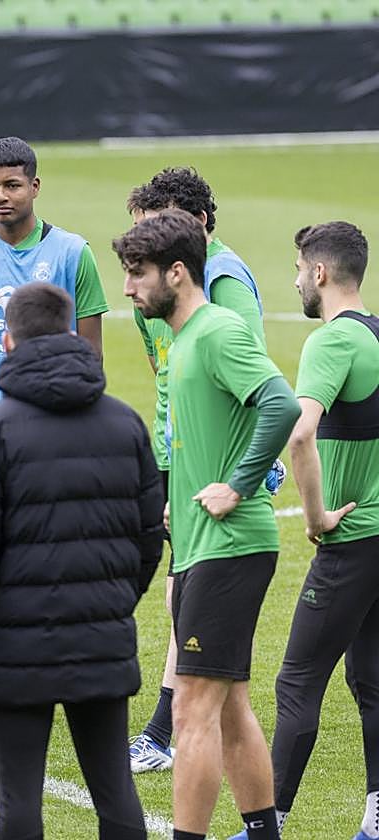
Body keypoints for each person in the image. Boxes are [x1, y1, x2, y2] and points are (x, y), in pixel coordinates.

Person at [0, 281, 163, 840]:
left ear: (8, 341)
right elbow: (147, 536)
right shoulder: (124, 423)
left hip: (13, 645)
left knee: (17, 801)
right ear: (72, 334)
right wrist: (113, 601)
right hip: (101, 635)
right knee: (115, 792)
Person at [114, 210, 300, 840]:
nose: (128, 289)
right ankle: (262, 832)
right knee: (228, 706)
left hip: (232, 546)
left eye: (138, 274)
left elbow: (279, 403)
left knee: (192, 707)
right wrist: (184, 491)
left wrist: (239, 484)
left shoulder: (218, 330)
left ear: (177, 271)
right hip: (201, 546)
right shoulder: (186, 337)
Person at [227, 222, 379, 840]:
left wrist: (315, 517)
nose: (293, 280)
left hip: (353, 539)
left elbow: (297, 430)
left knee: (296, 681)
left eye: (297, 269)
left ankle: (270, 823)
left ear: (320, 272)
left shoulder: (332, 341)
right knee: (371, 677)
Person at [126, 167, 270, 774]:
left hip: (215, 464)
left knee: (189, 597)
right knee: (181, 595)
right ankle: (169, 728)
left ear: (196, 228)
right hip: (181, 457)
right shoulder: (157, 294)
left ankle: (165, 731)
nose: (141, 250)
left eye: (155, 232)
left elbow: (255, 383)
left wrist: (239, 474)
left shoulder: (223, 283)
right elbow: (168, 378)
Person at [0, 136, 108, 416]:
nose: (0, 196)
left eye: (12, 185)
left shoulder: (73, 253)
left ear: (34, 187)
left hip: (49, 418)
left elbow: (92, 354)